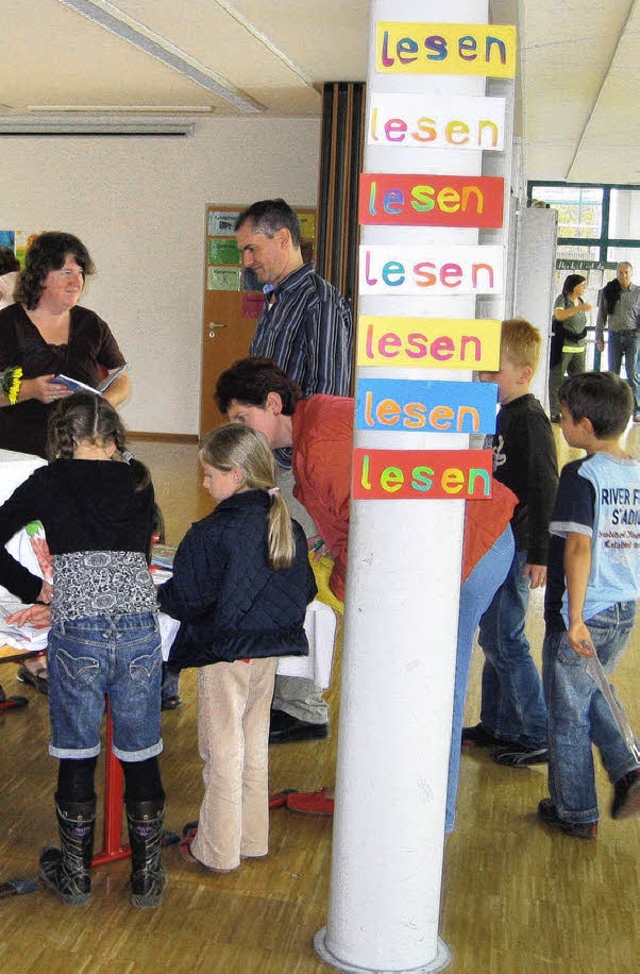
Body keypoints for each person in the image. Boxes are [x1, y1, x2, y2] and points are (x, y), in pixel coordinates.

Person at [214, 357, 518, 828]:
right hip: (462, 541)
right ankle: (388, 795)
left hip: (466, 545)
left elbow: (371, 532)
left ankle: (430, 815)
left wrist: (344, 587)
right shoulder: (316, 425)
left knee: (436, 686)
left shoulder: (319, 441)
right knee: (415, 681)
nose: (240, 431)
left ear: (273, 404)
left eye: (242, 418)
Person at [1, 393, 166, 908]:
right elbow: (137, 554)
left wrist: (35, 590)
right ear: (114, 437)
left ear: (62, 439)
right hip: (140, 628)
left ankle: (75, 878)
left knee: (76, 750)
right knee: (140, 750)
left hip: (79, 632)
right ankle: (146, 877)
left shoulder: (50, 480)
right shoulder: (139, 476)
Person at [158, 424, 316, 873]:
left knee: (221, 750)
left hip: (224, 654)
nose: (205, 485)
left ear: (237, 474)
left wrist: (161, 593)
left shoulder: (212, 532)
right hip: (267, 651)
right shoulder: (287, 524)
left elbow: (186, 599)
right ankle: (251, 837)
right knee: (252, 743)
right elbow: (302, 590)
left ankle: (218, 848)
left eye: (210, 475)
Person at [235, 198, 352, 743]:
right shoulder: (278, 299)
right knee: (280, 577)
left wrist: (290, 467)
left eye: (252, 248)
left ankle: (304, 706)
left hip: (302, 470)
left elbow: (328, 394)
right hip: (276, 467)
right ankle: (285, 696)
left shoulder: (321, 304)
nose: (247, 260)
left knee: (302, 581)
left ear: (283, 238)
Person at [0, 231, 131, 696]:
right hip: (19, 457)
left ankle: (68, 637)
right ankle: (31, 647)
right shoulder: (8, 324)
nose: (76, 280)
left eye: (80, 272)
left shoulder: (91, 323)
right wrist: (28, 389)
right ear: (41, 274)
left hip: (80, 456)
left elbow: (121, 380)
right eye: (66, 271)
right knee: (24, 548)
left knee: (73, 545)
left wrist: (104, 403)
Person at [539, 372, 640, 837]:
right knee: (591, 690)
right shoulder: (635, 473)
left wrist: (574, 616)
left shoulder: (580, 475)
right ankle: (628, 768)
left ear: (583, 424)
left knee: (567, 712)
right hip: (623, 605)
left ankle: (575, 811)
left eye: (562, 418)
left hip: (584, 611)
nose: (560, 425)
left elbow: (578, 549)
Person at [463, 319, 559, 767]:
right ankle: (498, 723)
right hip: (500, 541)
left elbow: (545, 489)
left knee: (506, 639)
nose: (484, 380)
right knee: (495, 637)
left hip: (519, 545)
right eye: (480, 371)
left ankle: (536, 730)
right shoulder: (503, 414)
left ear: (522, 372)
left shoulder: (531, 422)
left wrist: (541, 554)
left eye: (492, 371)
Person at [595, 261, 640, 419]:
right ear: (616, 274)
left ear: (631, 273)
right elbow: (601, 316)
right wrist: (599, 338)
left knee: (632, 372)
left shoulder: (638, 292)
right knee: (613, 373)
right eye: (620, 272)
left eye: (626, 272)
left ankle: (637, 409)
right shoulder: (608, 291)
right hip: (614, 336)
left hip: (633, 336)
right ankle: (613, 408)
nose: (623, 275)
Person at [548, 274, 592, 422]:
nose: (584, 287)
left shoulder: (580, 300)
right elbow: (559, 315)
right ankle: (555, 412)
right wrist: (577, 308)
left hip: (579, 348)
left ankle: (576, 411)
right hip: (564, 347)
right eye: (581, 285)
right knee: (556, 380)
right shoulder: (562, 299)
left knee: (579, 382)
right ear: (573, 286)